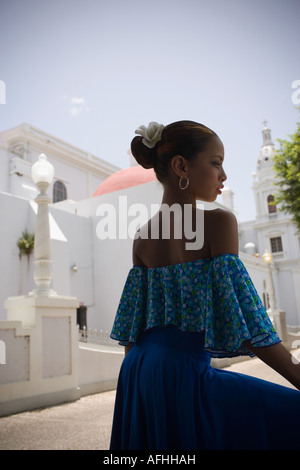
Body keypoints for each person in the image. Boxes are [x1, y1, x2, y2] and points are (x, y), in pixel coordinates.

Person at [109, 120, 300, 450]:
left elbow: (133, 328)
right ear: (181, 165)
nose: (223, 175)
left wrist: (134, 389)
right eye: (216, 163)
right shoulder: (218, 222)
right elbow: (246, 319)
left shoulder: (142, 237)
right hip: (183, 372)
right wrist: (297, 375)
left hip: (138, 371)